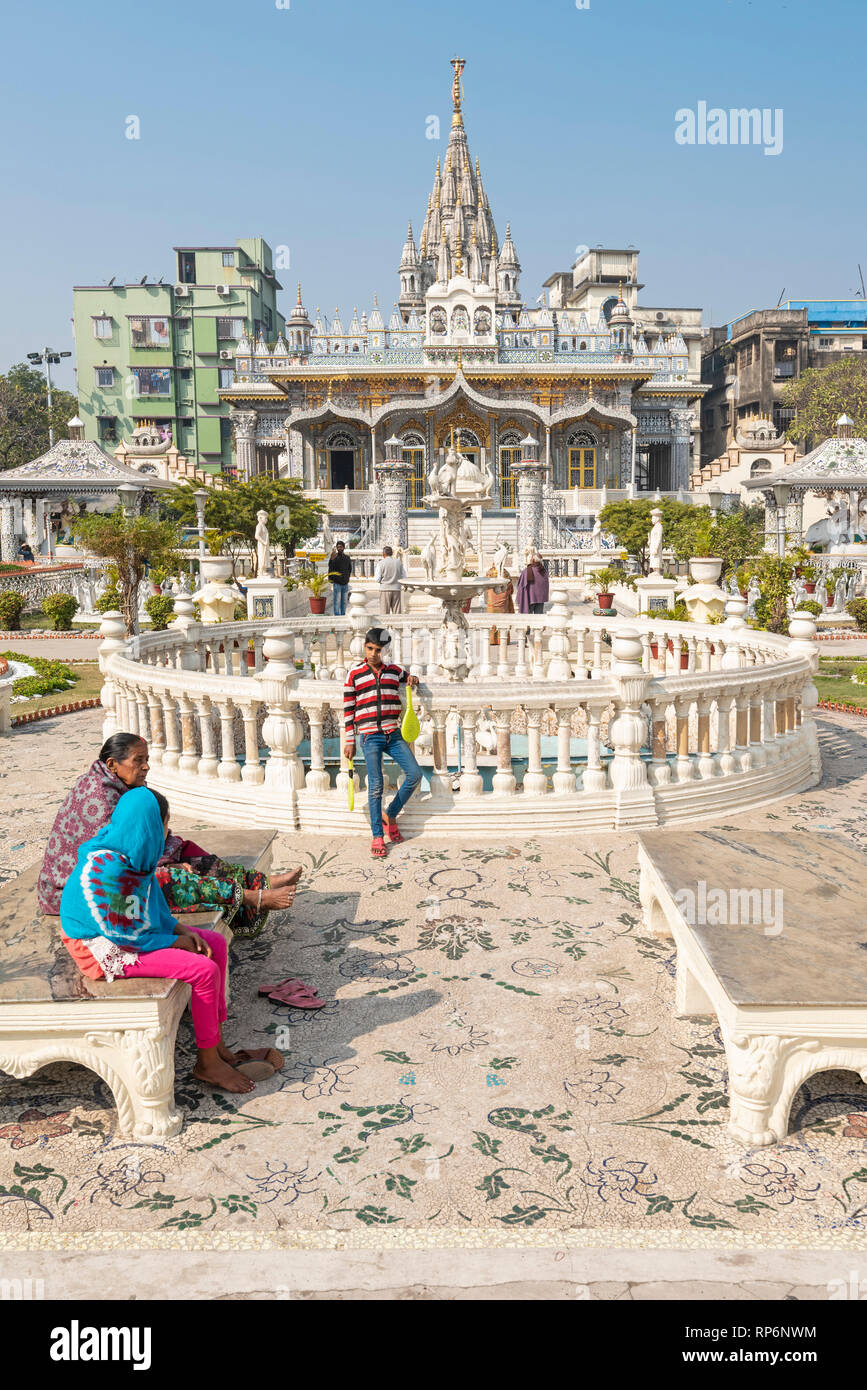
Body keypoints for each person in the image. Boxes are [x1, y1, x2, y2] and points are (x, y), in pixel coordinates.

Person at [59, 788, 282, 1094]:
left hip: (130, 934)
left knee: (214, 944)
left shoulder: (135, 851)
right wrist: (171, 943)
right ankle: (207, 1065)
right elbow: (120, 932)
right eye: (165, 823)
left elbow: (147, 907)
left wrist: (179, 930)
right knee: (203, 971)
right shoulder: (107, 869)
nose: (167, 830)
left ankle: (217, 1046)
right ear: (151, 825)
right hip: (101, 947)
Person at [38, 732, 300, 933]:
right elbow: (122, 859)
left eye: (146, 760)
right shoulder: (101, 798)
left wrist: (171, 856)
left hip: (111, 872)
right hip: (81, 893)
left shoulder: (117, 784)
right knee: (169, 879)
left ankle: (257, 881)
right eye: (137, 761)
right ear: (112, 764)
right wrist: (167, 864)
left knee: (185, 848)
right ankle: (252, 897)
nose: (146, 767)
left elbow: (143, 841)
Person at [343, 627, 421, 858]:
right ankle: (378, 835)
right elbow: (348, 710)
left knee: (415, 774)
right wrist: (349, 741)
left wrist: (413, 679)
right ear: (364, 647)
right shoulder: (354, 674)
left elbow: (408, 677)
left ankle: (391, 813)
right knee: (376, 785)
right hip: (369, 736)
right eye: (369, 649)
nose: (373, 654)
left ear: (384, 651)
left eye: (378, 650)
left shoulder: (393, 672)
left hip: (393, 734)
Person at [485, 562, 514, 646]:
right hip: (503, 602)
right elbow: (510, 587)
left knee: (492, 621)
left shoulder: (489, 572)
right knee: (503, 621)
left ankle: (492, 640)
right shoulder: (505, 572)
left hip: (491, 602)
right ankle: (502, 640)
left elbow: (486, 587)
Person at [374, 545, 405, 614]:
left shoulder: (381, 563)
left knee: (384, 611)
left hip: (385, 589)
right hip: (396, 589)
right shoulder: (398, 562)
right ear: (392, 553)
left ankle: (386, 624)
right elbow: (404, 576)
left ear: (384, 553)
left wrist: (383, 581)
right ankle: (397, 624)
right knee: (397, 612)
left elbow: (377, 579)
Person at [328, 540, 352, 616]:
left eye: (341, 547)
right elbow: (330, 568)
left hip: (345, 583)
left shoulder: (347, 558)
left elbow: (349, 569)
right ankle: (337, 616)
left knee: (344, 601)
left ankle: (343, 615)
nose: (339, 548)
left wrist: (347, 578)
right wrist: (331, 560)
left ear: (344, 548)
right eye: (338, 547)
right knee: (337, 601)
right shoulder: (334, 557)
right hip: (337, 583)